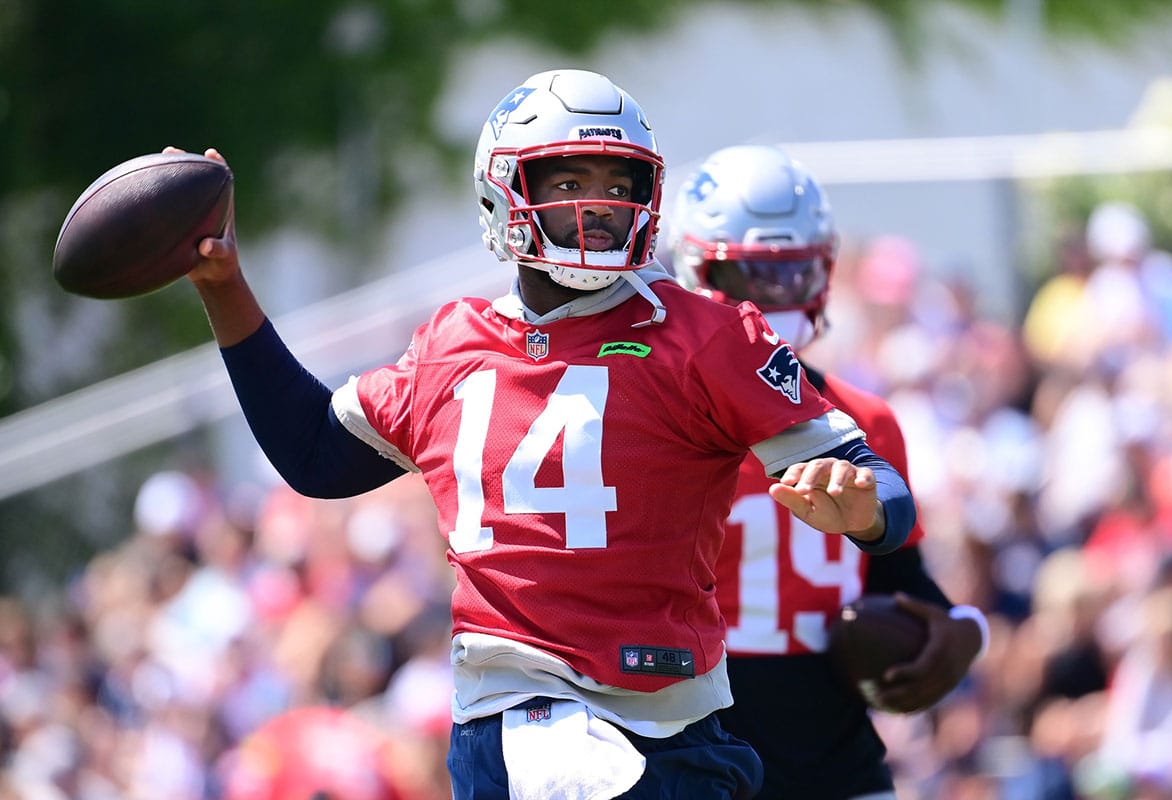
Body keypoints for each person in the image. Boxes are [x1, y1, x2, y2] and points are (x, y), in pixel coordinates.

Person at [172, 69, 916, 799]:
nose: (596, 206)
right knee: (562, 766)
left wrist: (867, 508)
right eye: (567, 183)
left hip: (676, 719)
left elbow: (877, 484)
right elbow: (314, 454)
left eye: (617, 185)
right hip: (519, 722)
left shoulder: (706, 336)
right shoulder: (451, 345)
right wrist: (224, 286)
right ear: (505, 190)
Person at [666, 143, 988, 800]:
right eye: (749, 275)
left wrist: (961, 631)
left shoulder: (863, 420)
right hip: (699, 744)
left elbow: (900, 578)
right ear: (699, 273)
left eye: (792, 274)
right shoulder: (663, 423)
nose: (771, 297)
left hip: (833, 749)